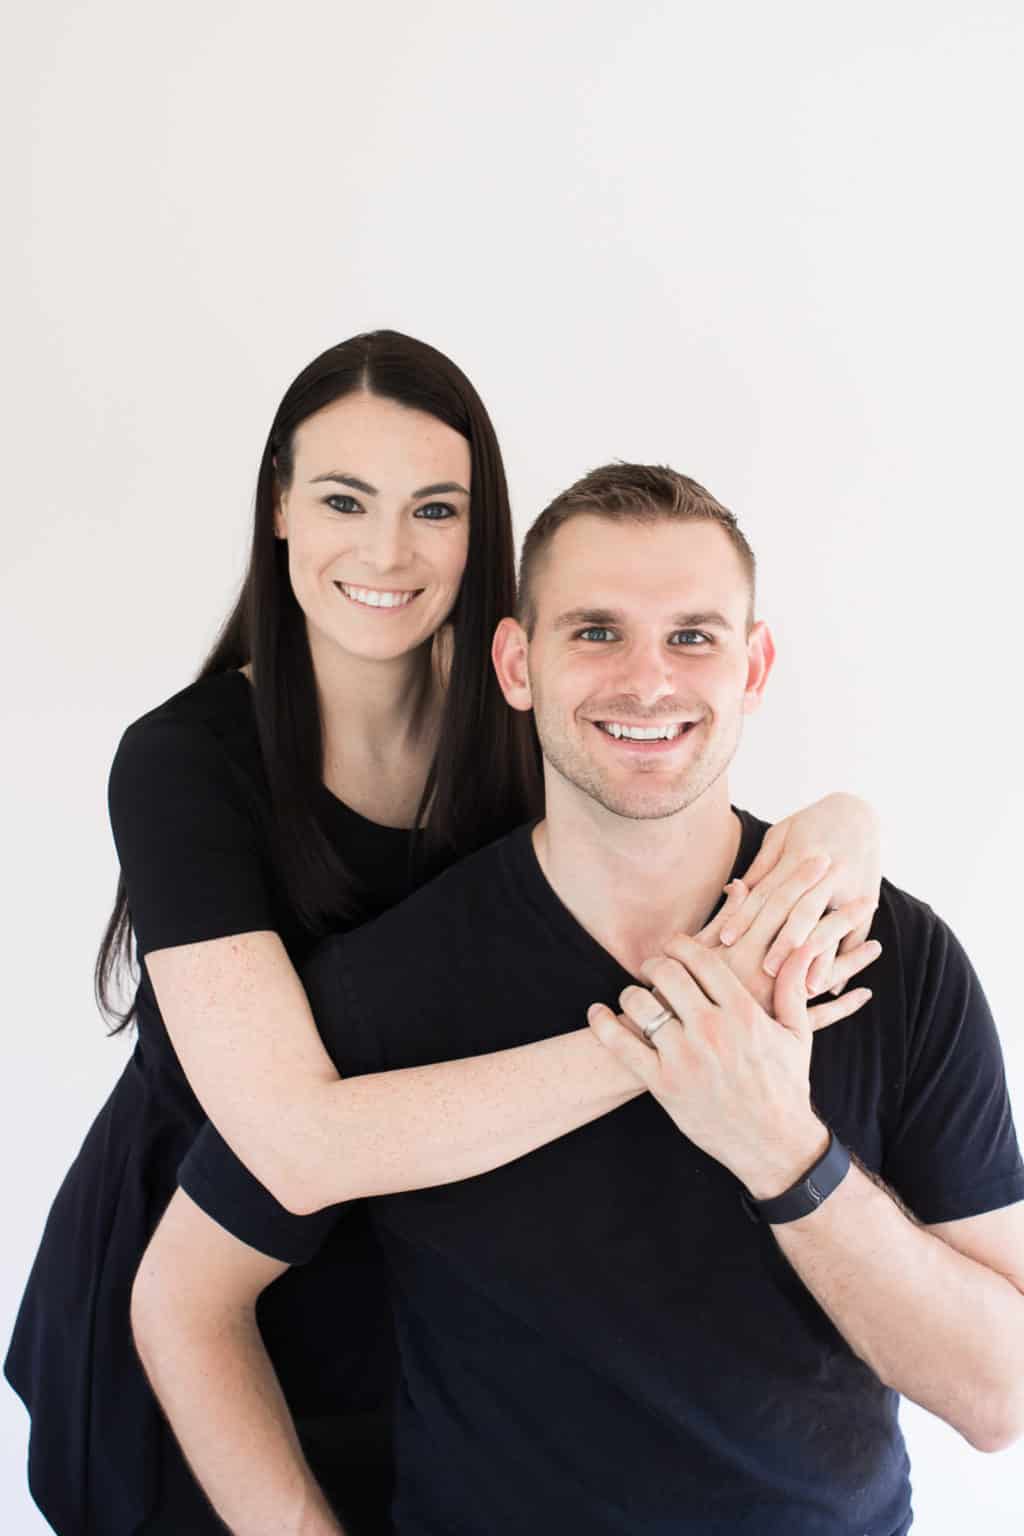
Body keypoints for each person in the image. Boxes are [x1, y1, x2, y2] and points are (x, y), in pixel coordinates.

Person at [5, 332, 880, 1536]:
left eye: (434, 509)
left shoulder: (522, 699)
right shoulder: (182, 764)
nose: (386, 551)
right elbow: (294, 1144)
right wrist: (676, 1042)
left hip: (426, 1267)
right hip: (205, 1265)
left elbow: (673, 793)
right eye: (343, 501)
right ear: (278, 509)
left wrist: (845, 826)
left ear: (482, 533)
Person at [137, 462, 1024, 1536]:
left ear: (753, 666)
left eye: (692, 636)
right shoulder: (391, 985)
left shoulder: (889, 954)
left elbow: (999, 1397)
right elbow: (185, 1301)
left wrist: (786, 1155)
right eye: (596, 632)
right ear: (518, 664)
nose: (647, 682)